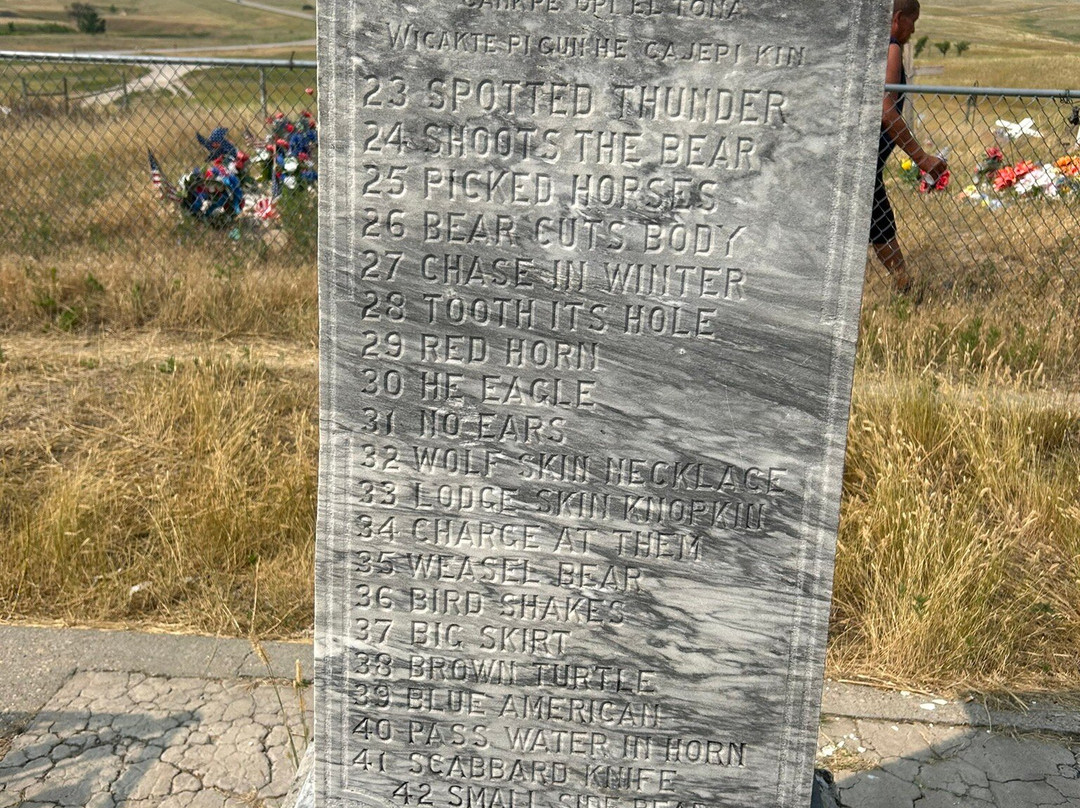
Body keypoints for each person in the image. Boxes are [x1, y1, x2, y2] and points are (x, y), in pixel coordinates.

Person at [872, 0, 947, 294]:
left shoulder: (870, 47)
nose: (913, 30)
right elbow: (887, 112)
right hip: (867, 162)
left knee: (880, 220)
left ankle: (903, 284)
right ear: (898, 18)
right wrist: (921, 158)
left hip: (867, 162)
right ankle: (904, 285)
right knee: (881, 223)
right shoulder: (891, 48)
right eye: (912, 22)